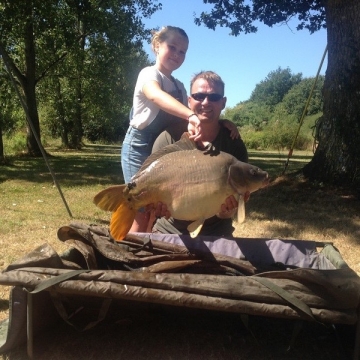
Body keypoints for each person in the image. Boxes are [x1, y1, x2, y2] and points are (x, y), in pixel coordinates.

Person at [121, 26, 239, 233]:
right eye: (172, 47)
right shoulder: (149, 74)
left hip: (166, 147)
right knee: (140, 208)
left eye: (182, 51)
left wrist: (222, 122)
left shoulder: (179, 86)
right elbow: (156, 96)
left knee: (155, 209)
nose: (177, 54)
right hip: (139, 146)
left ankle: (149, 248)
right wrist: (191, 116)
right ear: (157, 46)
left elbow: (195, 113)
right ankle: (132, 252)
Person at [150, 71, 249, 237]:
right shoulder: (168, 138)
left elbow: (238, 204)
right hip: (169, 231)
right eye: (199, 96)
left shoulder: (233, 143)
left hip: (218, 234)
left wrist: (226, 212)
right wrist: (157, 207)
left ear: (223, 102)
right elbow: (153, 194)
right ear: (189, 101)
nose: (205, 102)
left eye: (214, 97)